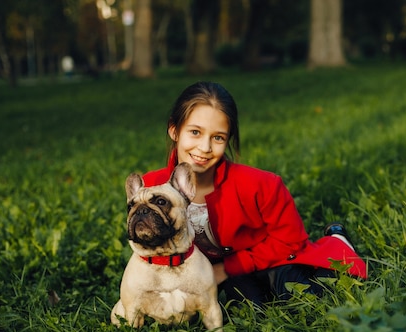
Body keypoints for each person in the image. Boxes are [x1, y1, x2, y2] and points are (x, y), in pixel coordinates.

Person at [142, 81, 367, 306]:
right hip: (210, 271)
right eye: (195, 132)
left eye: (218, 137)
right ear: (174, 130)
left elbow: (290, 242)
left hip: (265, 256)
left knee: (298, 298)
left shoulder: (262, 184)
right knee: (247, 306)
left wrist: (226, 269)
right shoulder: (151, 187)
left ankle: (338, 241)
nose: (205, 147)